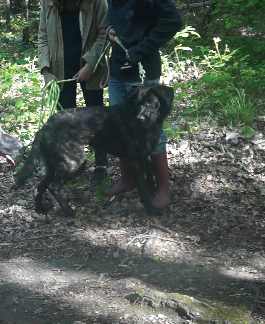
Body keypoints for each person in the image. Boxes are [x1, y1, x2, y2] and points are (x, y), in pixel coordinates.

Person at [102, 0, 182, 209]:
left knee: (151, 131)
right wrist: (113, 31)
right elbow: (123, 23)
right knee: (120, 127)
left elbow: (173, 21)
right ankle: (127, 179)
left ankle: (163, 188)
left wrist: (142, 48)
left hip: (143, 71)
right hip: (118, 70)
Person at [38, 0, 110, 186]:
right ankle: (70, 166)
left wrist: (90, 64)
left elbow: (104, 32)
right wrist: (46, 70)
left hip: (91, 69)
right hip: (59, 70)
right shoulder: (48, 3)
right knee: (65, 121)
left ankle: (101, 166)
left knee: (97, 118)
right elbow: (43, 36)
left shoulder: (96, 2)